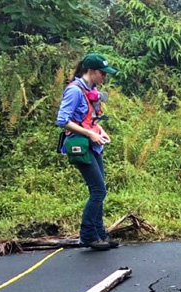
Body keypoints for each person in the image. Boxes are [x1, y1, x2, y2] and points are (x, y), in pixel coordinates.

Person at [55, 53, 118, 251]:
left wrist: (100, 132)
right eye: (102, 73)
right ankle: (88, 236)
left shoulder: (91, 89)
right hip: (80, 144)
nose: (104, 77)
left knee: (99, 190)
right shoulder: (74, 91)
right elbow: (62, 120)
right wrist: (90, 134)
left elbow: (89, 118)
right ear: (91, 71)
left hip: (93, 143)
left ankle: (100, 235)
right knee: (98, 190)